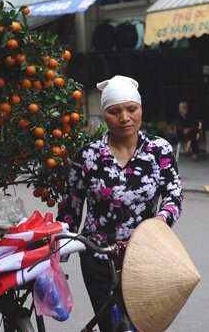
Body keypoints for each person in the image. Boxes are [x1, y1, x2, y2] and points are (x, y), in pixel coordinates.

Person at [57, 75, 183, 332]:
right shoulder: (88, 156)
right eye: (115, 111)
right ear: (104, 115)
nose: (124, 117)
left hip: (146, 257)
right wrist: (59, 245)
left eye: (131, 109)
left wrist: (160, 221)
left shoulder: (159, 150)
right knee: (111, 326)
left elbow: (173, 194)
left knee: (145, 325)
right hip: (99, 257)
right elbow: (71, 206)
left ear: (140, 110)